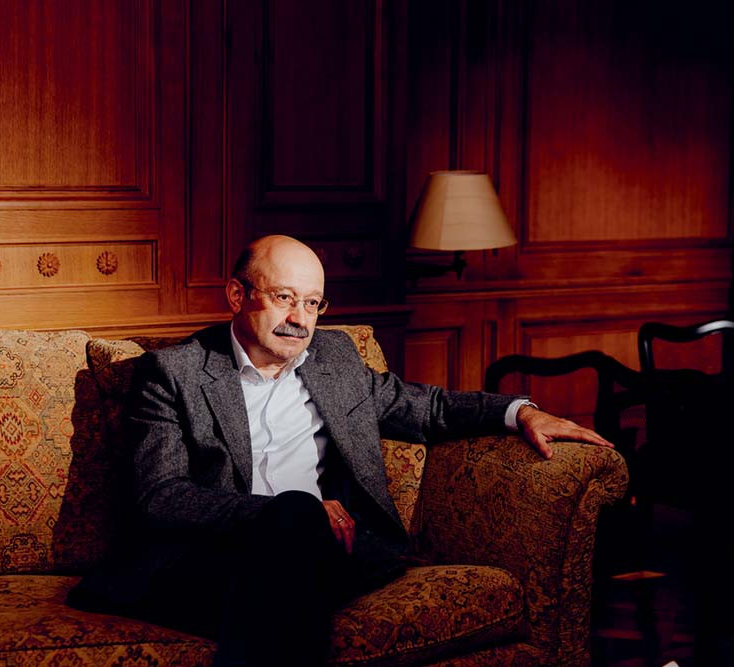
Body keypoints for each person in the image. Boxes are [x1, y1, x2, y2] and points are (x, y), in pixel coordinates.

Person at [69, 234, 612, 665]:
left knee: (288, 570)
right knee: (289, 547)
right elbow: (161, 496)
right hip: (221, 550)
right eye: (284, 298)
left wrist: (521, 411)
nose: (300, 319)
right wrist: (286, 513)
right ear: (237, 295)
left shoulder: (336, 358)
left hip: (334, 552)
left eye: (312, 303)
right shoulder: (177, 372)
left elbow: (426, 408)